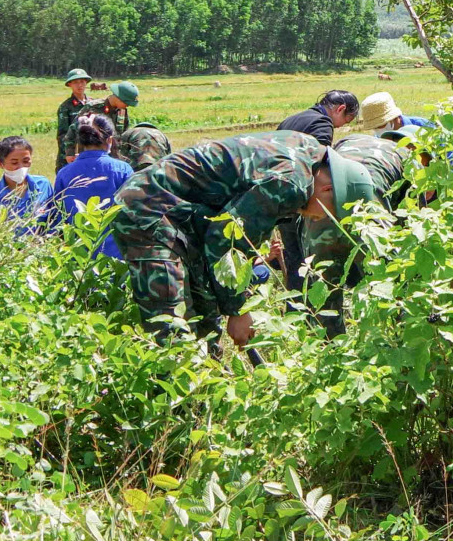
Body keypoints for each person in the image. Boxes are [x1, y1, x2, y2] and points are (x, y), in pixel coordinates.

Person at [111, 131, 378, 358]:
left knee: (205, 316)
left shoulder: (310, 152)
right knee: (172, 322)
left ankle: (205, 397)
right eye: (328, 213)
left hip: (186, 217)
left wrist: (229, 306)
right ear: (328, 189)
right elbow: (225, 240)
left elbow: (229, 237)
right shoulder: (291, 183)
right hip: (149, 209)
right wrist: (237, 310)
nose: (318, 218)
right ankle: (172, 411)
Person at [299, 132, 413, 335]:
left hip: (322, 204)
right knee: (391, 280)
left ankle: (329, 349)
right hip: (365, 203)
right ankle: (398, 339)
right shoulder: (409, 159)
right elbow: (413, 226)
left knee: (322, 288)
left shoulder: (350, 140)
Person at [273, 90, 360, 292]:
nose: (341, 127)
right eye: (345, 121)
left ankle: (294, 309)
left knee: (294, 260)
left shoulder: (291, 120)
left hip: (280, 199)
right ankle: (315, 309)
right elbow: (319, 169)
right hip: (303, 201)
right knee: (311, 259)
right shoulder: (322, 124)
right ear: (340, 109)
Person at [50, 114, 133, 259]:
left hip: (79, 256)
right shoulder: (123, 170)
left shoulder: (64, 173)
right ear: (110, 140)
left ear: (81, 142)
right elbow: (133, 212)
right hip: (117, 255)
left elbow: (58, 218)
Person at [0, 135, 54, 234]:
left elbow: (53, 221)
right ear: (0, 164)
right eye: (14, 163)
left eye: (26, 161)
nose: (21, 167)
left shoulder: (43, 185)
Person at [55, 69, 105, 172]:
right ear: (70, 84)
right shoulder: (65, 107)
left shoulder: (94, 104)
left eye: (82, 81)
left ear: (86, 83)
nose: (80, 85)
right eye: (75, 82)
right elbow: (62, 135)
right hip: (73, 152)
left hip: (91, 150)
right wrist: (69, 153)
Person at [356, 91, 434, 142]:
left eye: (381, 125)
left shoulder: (424, 126)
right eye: (374, 127)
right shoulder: (377, 139)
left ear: (394, 118)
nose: (378, 130)